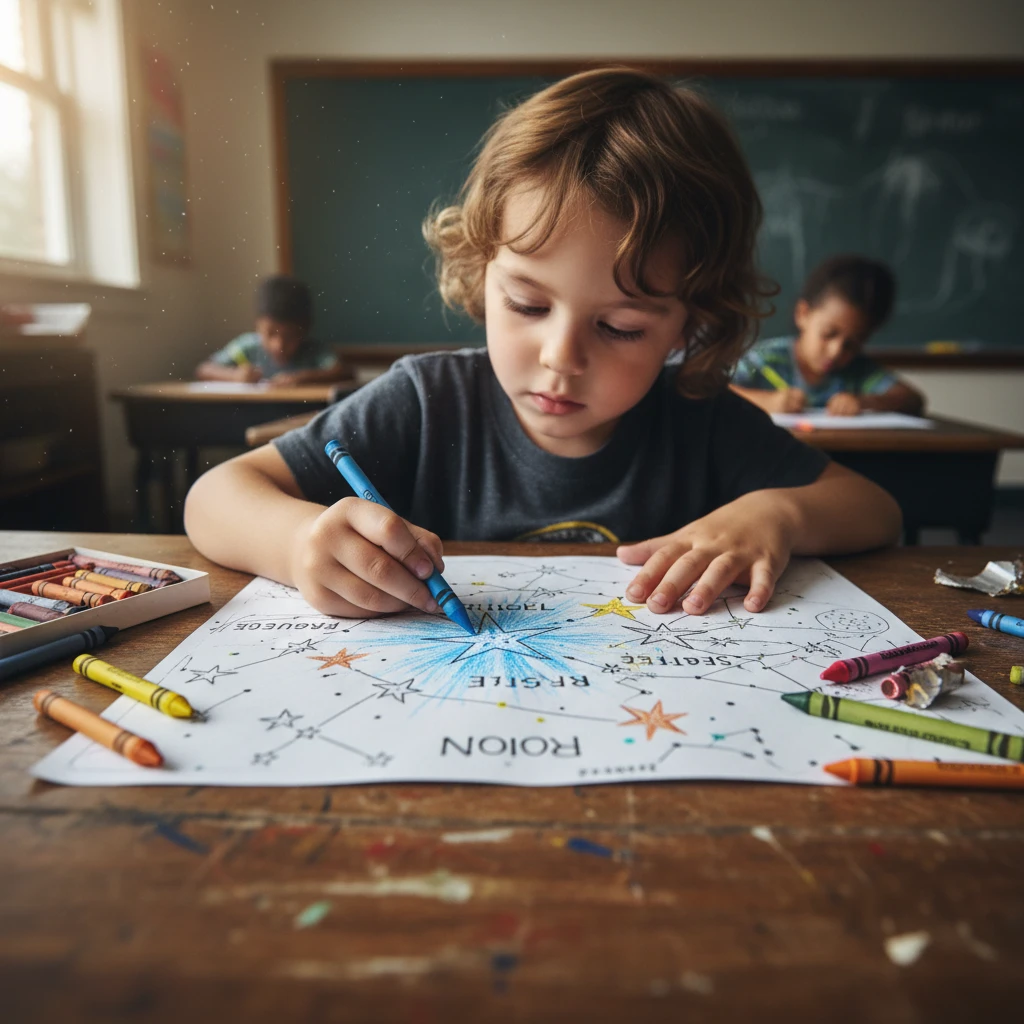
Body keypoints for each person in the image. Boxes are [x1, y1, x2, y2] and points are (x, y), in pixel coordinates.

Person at [185, 67, 901, 623]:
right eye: (528, 304)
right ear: (481, 272)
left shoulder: (701, 417)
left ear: (689, 325)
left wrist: (777, 515)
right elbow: (214, 497)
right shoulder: (427, 402)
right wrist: (298, 543)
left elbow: (875, 508)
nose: (561, 356)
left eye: (620, 327)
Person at [731, 255, 924, 416]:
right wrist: (767, 401)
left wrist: (864, 402)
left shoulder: (858, 370)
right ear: (803, 314)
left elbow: (912, 399)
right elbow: (719, 390)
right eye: (828, 334)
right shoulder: (765, 359)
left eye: (852, 344)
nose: (836, 351)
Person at [195, 275, 350, 387]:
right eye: (270, 333)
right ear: (257, 326)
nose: (279, 345)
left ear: (305, 330)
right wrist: (234, 375)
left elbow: (344, 373)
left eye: (289, 336)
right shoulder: (248, 346)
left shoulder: (314, 350)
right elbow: (204, 370)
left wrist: (302, 378)